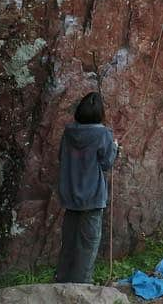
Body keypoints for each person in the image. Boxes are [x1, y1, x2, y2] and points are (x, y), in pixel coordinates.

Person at [54, 91, 118, 284]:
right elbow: (107, 163)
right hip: (92, 198)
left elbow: (61, 157)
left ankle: (62, 280)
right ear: (99, 114)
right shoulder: (103, 134)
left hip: (70, 194)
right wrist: (115, 147)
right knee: (87, 245)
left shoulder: (68, 132)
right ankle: (81, 286)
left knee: (69, 243)